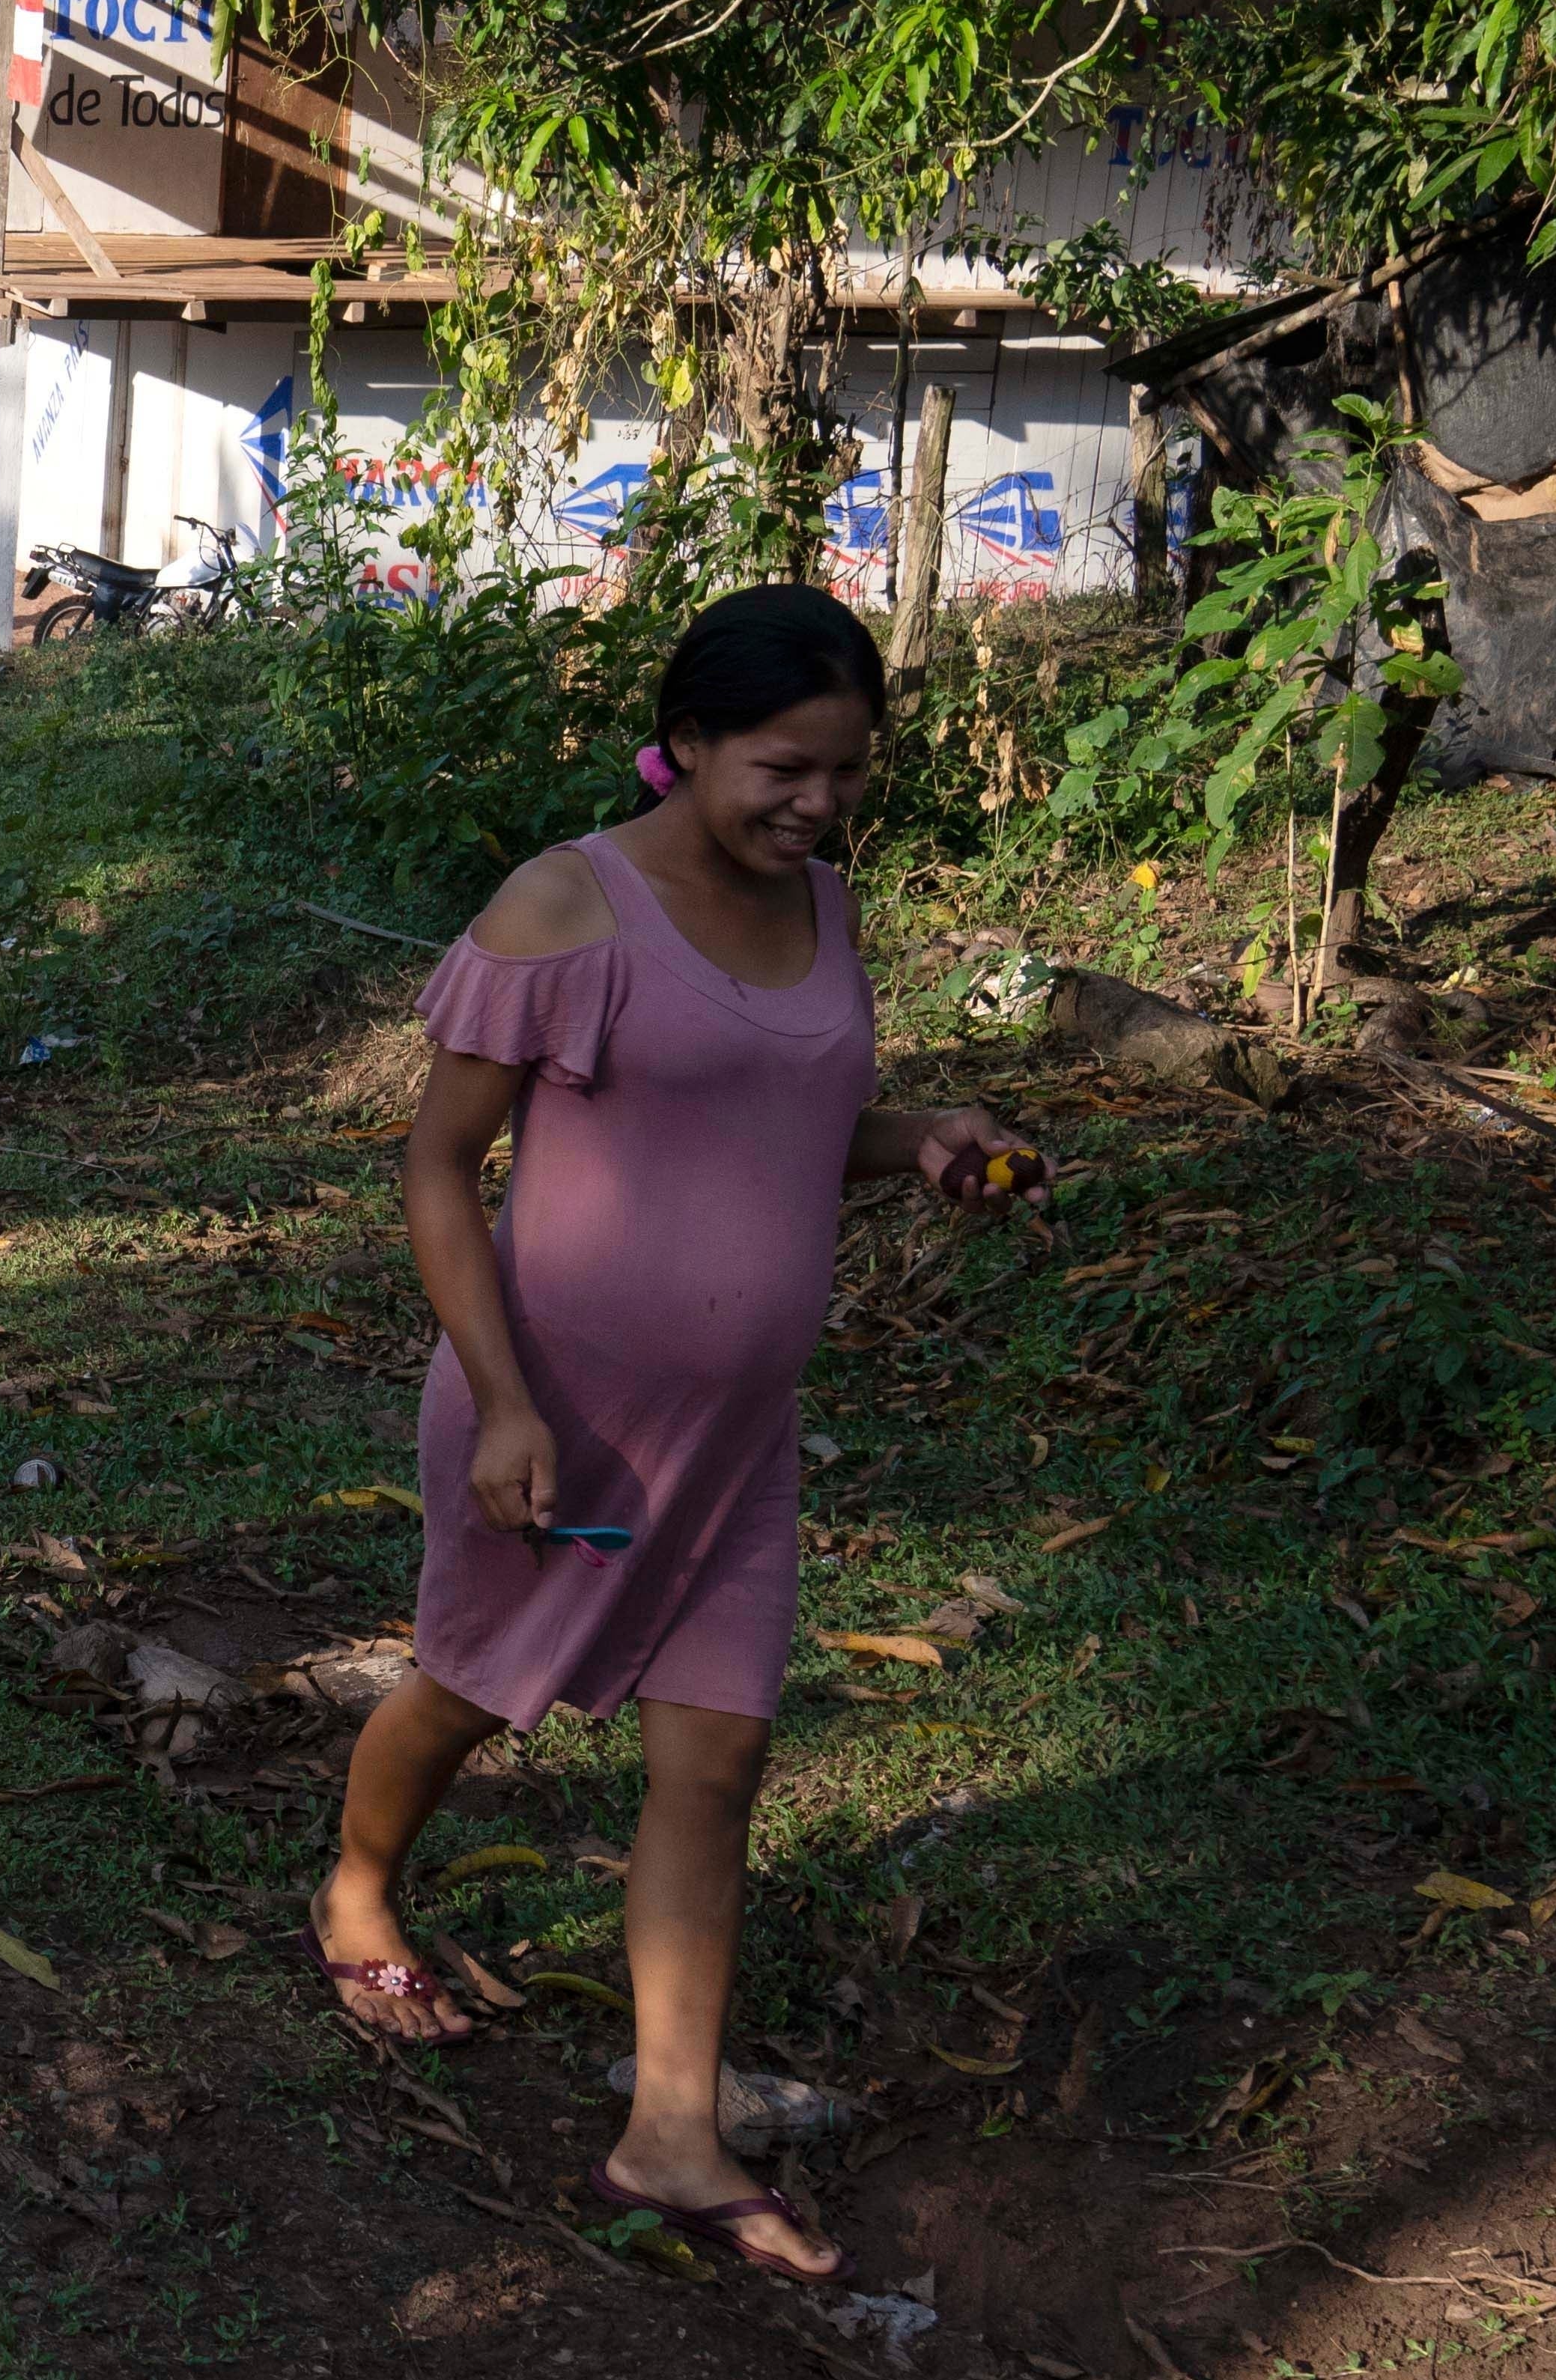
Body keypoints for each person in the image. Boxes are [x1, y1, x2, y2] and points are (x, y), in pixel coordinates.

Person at [309, 583, 1048, 2283]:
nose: (814, 803)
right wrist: (499, 1397)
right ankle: (354, 1888)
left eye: (843, 774)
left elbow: (790, 1118)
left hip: (734, 1439)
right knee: (466, 1687)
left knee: (711, 1760)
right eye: (782, 767)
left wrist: (921, 1134)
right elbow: (433, 1165)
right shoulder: (567, 903)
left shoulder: (824, 908)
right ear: (690, 740)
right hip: (554, 1422)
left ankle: (667, 2124)